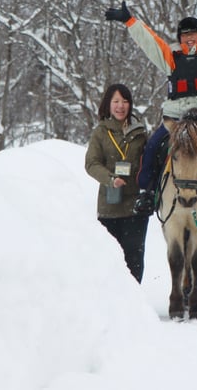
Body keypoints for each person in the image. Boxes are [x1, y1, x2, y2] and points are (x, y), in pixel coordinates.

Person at [103, 1, 197, 214]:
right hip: (176, 117)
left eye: (193, 33)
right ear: (179, 38)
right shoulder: (172, 59)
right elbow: (150, 43)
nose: (189, 38)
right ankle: (147, 192)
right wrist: (129, 21)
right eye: (185, 34)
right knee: (152, 147)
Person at [84, 83, 149, 282]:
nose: (121, 106)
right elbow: (91, 163)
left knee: (134, 258)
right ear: (108, 104)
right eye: (116, 101)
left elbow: (149, 164)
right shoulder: (101, 132)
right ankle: (111, 304)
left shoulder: (140, 133)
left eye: (125, 101)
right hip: (109, 206)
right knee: (109, 259)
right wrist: (110, 179)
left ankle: (134, 302)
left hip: (135, 208)